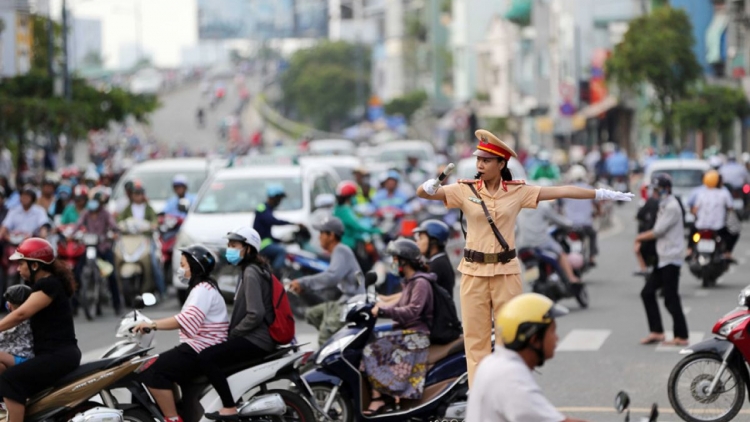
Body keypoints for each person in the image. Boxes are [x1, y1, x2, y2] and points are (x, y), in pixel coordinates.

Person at [416, 129, 633, 387]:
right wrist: (427, 186)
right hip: (473, 273)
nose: (480, 165)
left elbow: (560, 191)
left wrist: (599, 194)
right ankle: (480, 399)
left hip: (506, 272)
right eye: (478, 160)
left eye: (486, 160)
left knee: (512, 337)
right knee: (476, 343)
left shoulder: (517, 192)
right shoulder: (465, 190)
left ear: (501, 164)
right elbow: (425, 193)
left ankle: (510, 391)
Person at [135, 245, 228, 422]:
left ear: (194, 267)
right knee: (166, 367)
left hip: (201, 349)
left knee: (152, 370)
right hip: (200, 346)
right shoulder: (203, 288)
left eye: (183, 264)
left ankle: (173, 418)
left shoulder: (202, 290)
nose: (180, 269)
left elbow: (185, 320)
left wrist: (152, 324)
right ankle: (178, 411)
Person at [466, 293, 588, 422]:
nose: (557, 338)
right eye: (552, 331)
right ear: (534, 339)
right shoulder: (511, 378)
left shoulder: (494, 362)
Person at [0, 238, 81, 422]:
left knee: (9, 380)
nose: (18, 268)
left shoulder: (48, 285)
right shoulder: (44, 285)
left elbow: (21, 314)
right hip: (52, 354)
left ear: (35, 265)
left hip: (58, 356)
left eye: (21, 263)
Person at [200, 227, 275, 420]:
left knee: (207, 358)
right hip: (257, 337)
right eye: (228, 245)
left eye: (234, 245)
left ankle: (229, 406)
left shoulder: (250, 272)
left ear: (248, 249)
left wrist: (234, 333)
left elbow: (255, 314)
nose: (229, 249)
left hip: (257, 339)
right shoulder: (251, 270)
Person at [360, 239, 434, 415]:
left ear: (404, 261)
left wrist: (383, 311)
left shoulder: (421, 282)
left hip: (416, 336)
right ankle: (387, 394)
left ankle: (378, 399)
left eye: (395, 259)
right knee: (372, 341)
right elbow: (399, 303)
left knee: (370, 350)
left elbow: (412, 311)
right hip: (407, 331)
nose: (393, 263)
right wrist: (380, 302)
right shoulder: (410, 282)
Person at [288, 217, 365, 345]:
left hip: (352, 304)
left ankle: (329, 348)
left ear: (331, 236)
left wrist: (303, 282)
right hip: (345, 301)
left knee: (325, 335)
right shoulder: (338, 251)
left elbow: (332, 276)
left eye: (322, 233)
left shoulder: (341, 250)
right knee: (312, 314)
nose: (319, 237)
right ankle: (336, 340)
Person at [635, 173, 689, 346]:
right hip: (663, 257)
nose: (655, 193)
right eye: (654, 189)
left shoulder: (672, 206)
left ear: (666, 189)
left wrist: (639, 238)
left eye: (657, 189)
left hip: (671, 258)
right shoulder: (663, 204)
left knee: (671, 297)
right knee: (647, 293)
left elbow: (658, 231)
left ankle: (682, 335)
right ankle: (657, 332)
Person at [516, 189, 580, 284]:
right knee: (561, 253)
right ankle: (571, 277)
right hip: (540, 242)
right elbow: (558, 220)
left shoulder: (519, 208)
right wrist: (570, 224)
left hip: (523, 245)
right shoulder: (542, 206)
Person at [74, 191, 121, 314]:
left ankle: (117, 305)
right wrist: (72, 234)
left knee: (111, 275)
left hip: (103, 247)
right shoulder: (86, 213)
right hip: (89, 247)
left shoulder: (105, 214)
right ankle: (73, 306)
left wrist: (114, 234)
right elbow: (77, 225)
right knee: (77, 272)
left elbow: (114, 226)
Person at [117, 184, 166, 296]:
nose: (138, 196)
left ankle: (162, 290)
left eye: (140, 194)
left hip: (145, 239)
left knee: (154, 263)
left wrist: (153, 225)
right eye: (135, 194)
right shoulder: (128, 208)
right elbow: (119, 220)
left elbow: (155, 220)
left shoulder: (148, 208)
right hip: (130, 240)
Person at [253, 185, 302, 273]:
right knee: (282, 251)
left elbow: (268, 234)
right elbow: (271, 221)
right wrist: (293, 224)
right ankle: (275, 275)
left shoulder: (269, 209)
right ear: (273, 198)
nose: (279, 202)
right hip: (261, 245)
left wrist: (281, 241)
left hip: (266, 242)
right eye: (279, 199)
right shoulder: (262, 208)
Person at [333, 181, 381, 270]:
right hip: (348, 244)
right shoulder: (345, 210)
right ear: (350, 197)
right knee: (364, 266)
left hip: (344, 242)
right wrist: (377, 231)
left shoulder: (339, 209)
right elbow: (357, 226)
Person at [561, 164, 599, 266]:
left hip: (569, 225)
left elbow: (559, 206)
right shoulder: (590, 189)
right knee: (593, 235)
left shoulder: (565, 189)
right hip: (585, 225)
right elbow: (597, 204)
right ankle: (592, 257)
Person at [691, 170, 733, 259]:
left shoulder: (701, 193)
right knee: (732, 234)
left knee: (692, 232)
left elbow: (694, 210)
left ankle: (689, 251)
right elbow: (730, 208)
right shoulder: (724, 193)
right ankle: (727, 253)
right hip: (718, 227)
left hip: (701, 226)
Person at [413, 219, 455, 297]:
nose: (417, 243)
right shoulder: (438, 259)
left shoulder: (438, 264)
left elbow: (419, 294)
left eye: (421, 238)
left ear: (433, 241)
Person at [0, 285, 34, 375]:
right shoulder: (34, 318)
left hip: (23, 359)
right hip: (20, 358)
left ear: (9, 305)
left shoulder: (15, 321)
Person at [634, 187, 660, 276]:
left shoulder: (652, 201)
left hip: (657, 234)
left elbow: (640, 215)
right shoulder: (671, 201)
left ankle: (643, 267)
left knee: (637, 244)